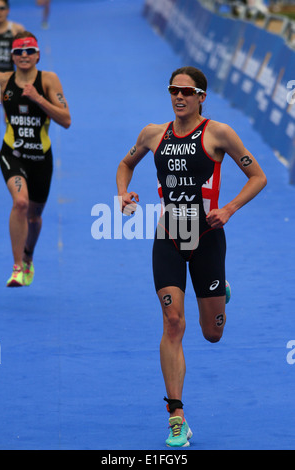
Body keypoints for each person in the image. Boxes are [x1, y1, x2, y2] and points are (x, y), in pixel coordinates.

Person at [116, 66, 267, 447]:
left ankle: (219, 290)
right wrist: (123, 193)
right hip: (169, 234)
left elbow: (258, 177)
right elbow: (125, 164)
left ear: (202, 96)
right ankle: (176, 416)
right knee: (172, 322)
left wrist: (229, 209)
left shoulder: (219, 133)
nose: (178, 96)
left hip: (208, 238)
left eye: (187, 91)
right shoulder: (154, 134)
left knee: (212, 333)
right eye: (173, 90)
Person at [0, 31, 71, 287]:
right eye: (19, 51)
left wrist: (38, 99)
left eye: (29, 51)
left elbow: (66, 120)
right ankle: (18, 267)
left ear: (38, 55)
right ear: (13, 57)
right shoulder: (2, 82)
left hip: (40, 158)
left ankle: (28, 256)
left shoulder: (48, 80)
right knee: (20, 203)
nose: (24, 55)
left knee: (34, 218)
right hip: (12, 154)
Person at [0, 0, 25, 166]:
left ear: (7, 10)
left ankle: (15, 149)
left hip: (11, 81)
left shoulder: (16, 30)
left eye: (1, 8)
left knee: (15, 118)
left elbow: (27, 55)